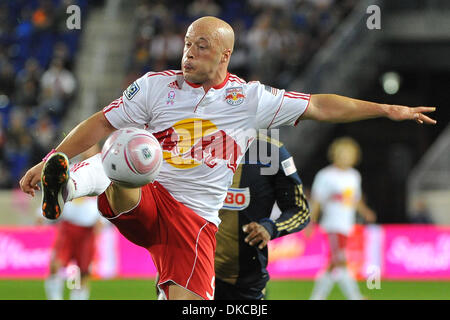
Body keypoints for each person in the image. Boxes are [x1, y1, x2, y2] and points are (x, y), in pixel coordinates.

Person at [19, 16, 436, 300]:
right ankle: (69, 183)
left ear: (224, 56)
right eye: (186, 45)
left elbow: (320, 105)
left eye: (201, 47)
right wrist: (54, 157)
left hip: (195, 220)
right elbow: (99, 124)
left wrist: (385, 109)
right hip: (148, 196)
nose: (189, 53)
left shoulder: (250, 98)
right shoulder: (152, 86)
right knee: (129, 147)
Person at [214, 134, 309, 300]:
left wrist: (269, 228)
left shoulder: (273, 152)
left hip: (246, 281)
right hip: (193, 275)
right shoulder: (196, 145)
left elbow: (299, 210)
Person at [306, 137, 376, 300]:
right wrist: (310, 221)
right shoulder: (325, 175)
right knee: (340, 261)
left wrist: (366, 211)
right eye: (342, 153)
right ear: (334, 154)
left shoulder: (354, 175)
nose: (346, 157)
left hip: (346, 225)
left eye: (349, 154)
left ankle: (317, 297)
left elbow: (355, 199)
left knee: (333, 263)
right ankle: (355, 297)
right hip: (332, 225)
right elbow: (316, 201)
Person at [42, 145, 104, 300]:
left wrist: (102, 220)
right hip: (68, 227)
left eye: (92, 147)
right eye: (87, 146)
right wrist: (42, 213)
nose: (88, 150)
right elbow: (53, 191)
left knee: (83, 272)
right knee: (56, 265)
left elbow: (106, 199)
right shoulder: (69, 169)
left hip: (88, 230)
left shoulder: (102, 171)